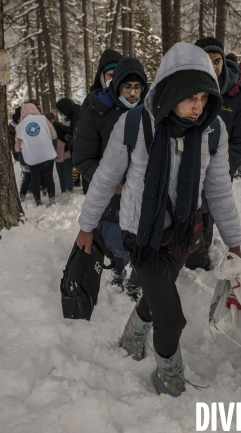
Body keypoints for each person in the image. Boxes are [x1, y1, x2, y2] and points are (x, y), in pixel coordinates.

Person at [75, 43, 241, 397]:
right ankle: (167, 369)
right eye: (190, 97)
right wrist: (86, 225)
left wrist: (234, 241)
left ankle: (132, 334)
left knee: (156, 296)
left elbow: (218, 191)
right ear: (169, 91)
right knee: (172, 317)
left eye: (204, 95)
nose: (199, 106)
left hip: (183, 232)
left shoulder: (213, 132)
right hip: (141, 233)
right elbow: (105, 178)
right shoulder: (134, 125)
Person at [73, 57, 146, 300]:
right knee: (115, 242)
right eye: (127, 87)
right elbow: (83, 158)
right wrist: (111, 184)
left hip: (143, 195)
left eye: (138, 87)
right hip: (111, 198)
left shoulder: (152, 112)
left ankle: (136, 281)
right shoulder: (97, 111)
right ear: (116, 86)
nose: (133, 93)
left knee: (142, 244)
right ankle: (116, 269)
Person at [185, 37, 241, 271]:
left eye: (217, 61)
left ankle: (199, 262)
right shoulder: (184, 91)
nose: (213, 65)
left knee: (207, 215)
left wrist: (221, 167)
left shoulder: (239, 96)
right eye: (207, 60)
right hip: (185, 172)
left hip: (218, 174)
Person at [77, 49, 124, 194]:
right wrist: (106, 181)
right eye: (110, 75)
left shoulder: (135, 100)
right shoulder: (92, 103)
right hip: (106, 186)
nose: (114, 79)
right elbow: (84, 152)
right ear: (102, 77)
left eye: (117, 74)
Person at [14, 102, 57, 206]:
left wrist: (21, 155)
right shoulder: (43, 119)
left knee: (35, 178)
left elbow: (17, 146)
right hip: (47, 154)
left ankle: (37, 200)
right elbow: (54, 135)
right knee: (49, 177)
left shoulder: (19, 127)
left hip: (32, 157)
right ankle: (52, 199)